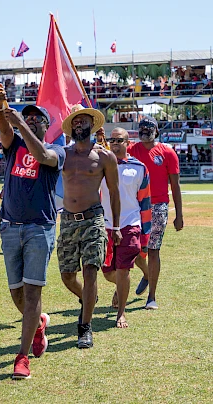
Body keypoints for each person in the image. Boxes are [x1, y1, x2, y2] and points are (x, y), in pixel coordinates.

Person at [0, 85, 66, 380]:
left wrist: (20, 123)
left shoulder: (56, 151)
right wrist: (1, 108)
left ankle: (22, 357)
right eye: (28, 117)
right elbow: (5, 130)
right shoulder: (14, 145)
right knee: (17, 293)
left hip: (39, 227)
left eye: (38, 119)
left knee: (33, 291)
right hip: (10, 225)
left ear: (47, 127)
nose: (32, 120)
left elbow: (41, 153)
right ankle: (37, 325)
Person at [58, 104, 121, 349]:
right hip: (67, 220)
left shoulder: (104, 156)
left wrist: (115, 228)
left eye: (82, 121)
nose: (78, 124)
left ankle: (85, 328)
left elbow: (114, 193)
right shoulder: (64, 154)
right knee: (67, 276)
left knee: (91, 270)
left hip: (93, 219)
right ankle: (88, 297)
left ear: (92, 125)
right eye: (74, 122)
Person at [128, 117, 183, 310]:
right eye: (142, 127)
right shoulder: (131, 150)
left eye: (149, 128)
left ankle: (151, 296)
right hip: (134, 206)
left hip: (158, 206)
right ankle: (145, 274)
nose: (145, 130)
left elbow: (175, 186)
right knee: (132, 249)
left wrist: (179, 215)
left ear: (156, 131)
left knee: (153, 250)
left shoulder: (167, 152)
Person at [100, 128, 151, 328]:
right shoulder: (101, 166)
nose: (114, 143)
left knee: (123, 269)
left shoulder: (139, 168)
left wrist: (145, 233)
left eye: (119, 140)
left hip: (130, 223)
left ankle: (121, 313)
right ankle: (121, 288)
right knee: (107, 272)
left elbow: (145, 202)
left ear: (128, 142)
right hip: (106, 225)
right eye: (111, 140)